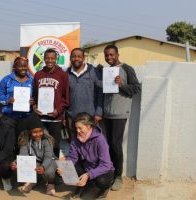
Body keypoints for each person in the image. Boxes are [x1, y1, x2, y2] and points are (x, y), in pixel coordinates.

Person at [102, 44, 141, 190]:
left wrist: (122, 84)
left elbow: (136, 89)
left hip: (120, 113)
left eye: (112, 54)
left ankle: (118, 176)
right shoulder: (106, 71)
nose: (109, 57)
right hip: (106, 114)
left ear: (117, 54)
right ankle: (110, 172)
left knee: (115, 144)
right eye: (106, 55)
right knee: (106, 145)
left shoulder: (127, 69)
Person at [58, 112, 114, 199]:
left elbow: (105, 165)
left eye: (80, 128)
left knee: (102, 181)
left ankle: (104, 188)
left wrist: (88, 175)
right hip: (87, 166)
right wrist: (65, 168)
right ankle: (83, 184)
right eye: (76, 128)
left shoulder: (100, 140)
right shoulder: (75, 138)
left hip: (103, 169)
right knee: (67, 167)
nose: (77, 131)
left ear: (89, 126)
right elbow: (73, 157)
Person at [33, 48, 69, 158]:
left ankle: (54, 170)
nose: (50, 60)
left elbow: (65, 97)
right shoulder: (38, 74)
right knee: (39, 144)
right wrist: (34, 106)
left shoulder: (63, 75)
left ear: (56, 59)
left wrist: (58, 110)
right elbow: (34, 95)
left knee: (55, 144)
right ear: (44, 59)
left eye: (52, 58)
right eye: (47, 58)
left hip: (55, 117)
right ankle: (41, 168)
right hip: (40, 117)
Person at [10, 112, 57, 195]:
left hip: (50, 161)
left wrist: (43, 167)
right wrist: (16, 162)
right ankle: (32, 180)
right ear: (29, 132)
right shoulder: (25, 140)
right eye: (34, 132)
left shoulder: (47, 140)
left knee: (48, 171)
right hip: (35, 162)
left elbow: (48, 157)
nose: (38, 134)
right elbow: (23, 156)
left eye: (40, 131)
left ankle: (50, 183)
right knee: (20, 168)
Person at [0, 56, 34, 146]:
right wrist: (7, 100)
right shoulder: (7, 80)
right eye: (20, 66)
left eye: (25, 66)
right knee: (8, 142)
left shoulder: (32, 80)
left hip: (25, 117)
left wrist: (33, 101)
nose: (23, 68)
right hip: (9, 116)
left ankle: (20, 159)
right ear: (15, 66)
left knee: (22, 142)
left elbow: (36, 95)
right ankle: (8, 159)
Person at [66, 48, 103, 137]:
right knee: (74, 143)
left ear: (83, 58)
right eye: (74, 56)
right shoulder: (66, 73)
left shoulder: (93, 71)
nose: (76, 59)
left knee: (90, 143)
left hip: (90, 116)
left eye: (79, 57)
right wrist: (64, 116)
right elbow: (64, 95)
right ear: (70, 58)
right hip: (72, 117)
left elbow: (100, 92)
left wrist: (98, 113)